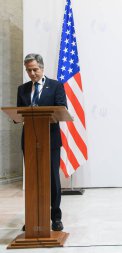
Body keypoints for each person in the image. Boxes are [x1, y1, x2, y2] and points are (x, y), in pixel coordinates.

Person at [17, 53, 67, 231]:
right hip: (29, 140)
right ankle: (33, 217)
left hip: (50, 140)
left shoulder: (55, 86)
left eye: (35, 70)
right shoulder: (22, 89)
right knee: (32, 180)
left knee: (52, 179)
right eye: (28, 70)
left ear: (42, 68)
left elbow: (62, 109)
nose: (31, 74)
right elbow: (19, 114)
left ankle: (55, 217)